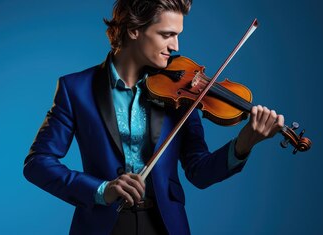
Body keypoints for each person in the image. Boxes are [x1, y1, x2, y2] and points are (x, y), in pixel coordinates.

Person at [23, 0, 284, 234]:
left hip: (165, 225)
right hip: (101, 225)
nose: (176, 46)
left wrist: (244, 144)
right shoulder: (76, 89)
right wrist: (103, 190)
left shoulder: (182, 92)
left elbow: (199, 172)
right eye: (167, 35)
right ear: (134, 30)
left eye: (178, 35)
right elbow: (38, 163)